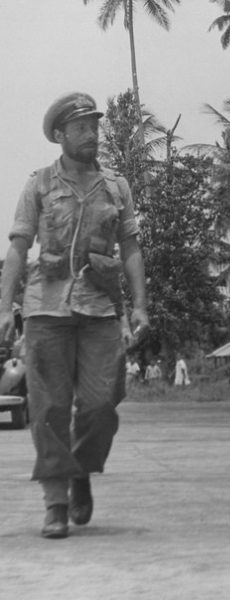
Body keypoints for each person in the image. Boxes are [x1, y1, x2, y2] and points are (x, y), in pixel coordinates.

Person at [0, 92, 150, 539]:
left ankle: (80, 468)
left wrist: (140, 305)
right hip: (46, 308)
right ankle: (56, 503)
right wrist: (5, 306)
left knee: (102, 404)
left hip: (100, 308)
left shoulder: (116, 186)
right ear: (60, 135)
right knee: (48, 409)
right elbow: (18, 246)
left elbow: (131, 248)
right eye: (81, 127)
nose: (91, 135)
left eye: (94, 126)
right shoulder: (40, 184)